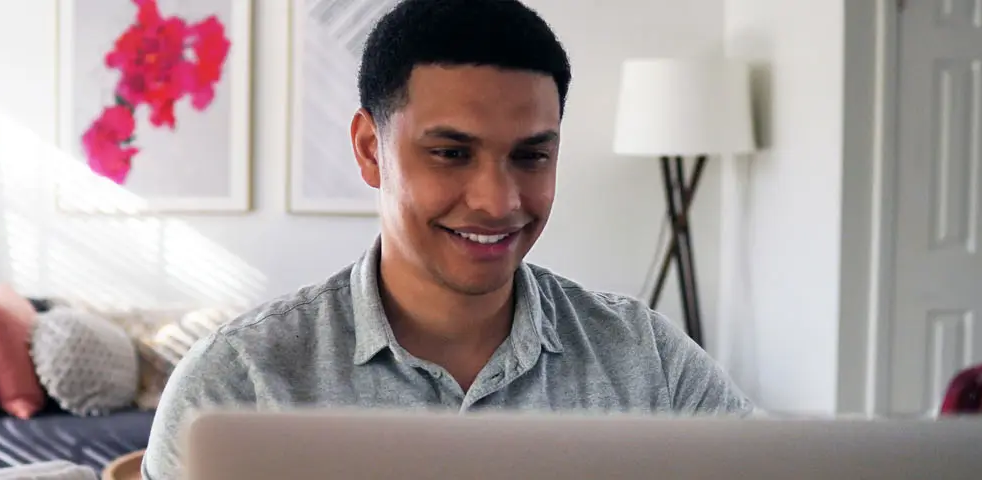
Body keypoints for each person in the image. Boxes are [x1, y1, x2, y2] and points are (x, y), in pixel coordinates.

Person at [142, 0, 753, 477]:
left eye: (531, 156)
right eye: (452, 153)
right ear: (370, 150)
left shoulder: (647, 362)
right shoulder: (237, 382)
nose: (498, 201)